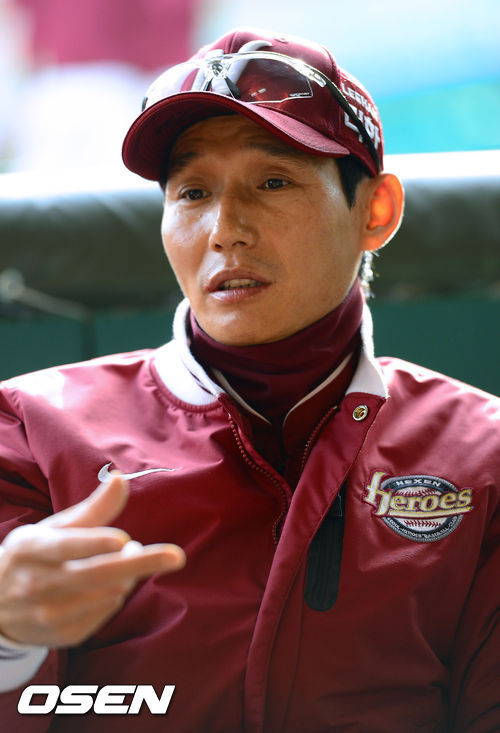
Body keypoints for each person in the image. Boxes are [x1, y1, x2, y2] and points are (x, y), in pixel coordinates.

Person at [0, 26, 498, 733]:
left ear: (375, 211)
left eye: (272, 182)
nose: (224, 228)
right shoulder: (29, 427)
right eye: (193, 191)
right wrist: (7, 638)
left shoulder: (482, 453)